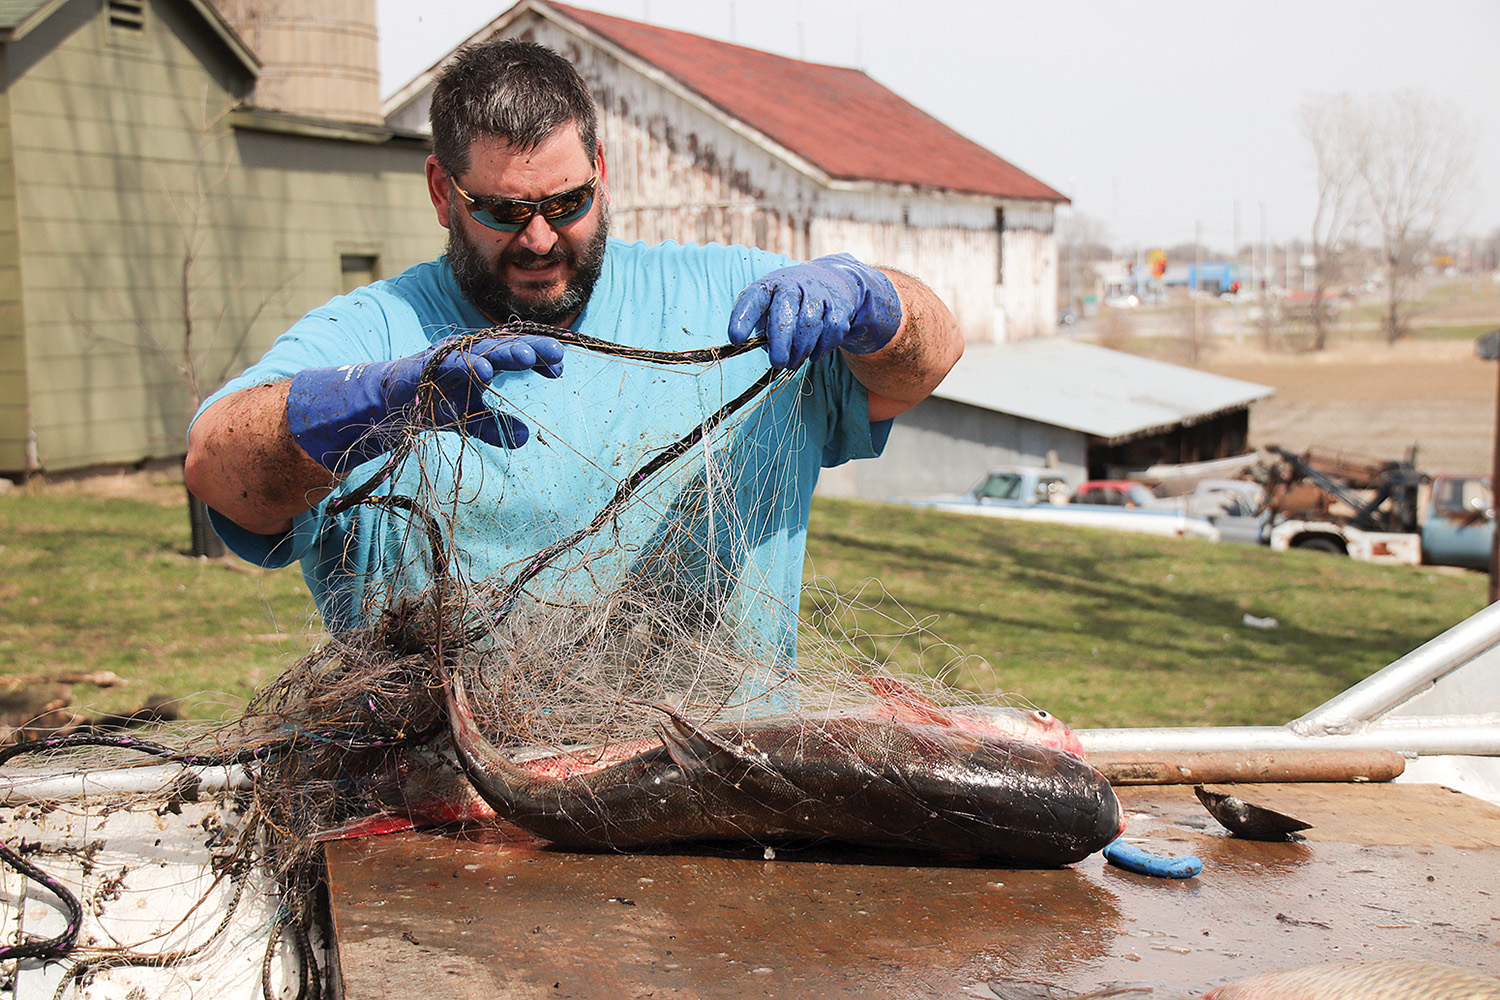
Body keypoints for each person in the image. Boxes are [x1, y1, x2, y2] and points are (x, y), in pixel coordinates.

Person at [185, 39, 962, 683]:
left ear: (601, 170)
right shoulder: (371, 334)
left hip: (726, 799)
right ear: (441, 192)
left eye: (566, 203)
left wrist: (876, 302)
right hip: (456, 817)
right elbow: (219, 473)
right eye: (502, 211)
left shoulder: (735, 299)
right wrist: (369, 403)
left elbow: (923, 365)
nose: (539, 239)